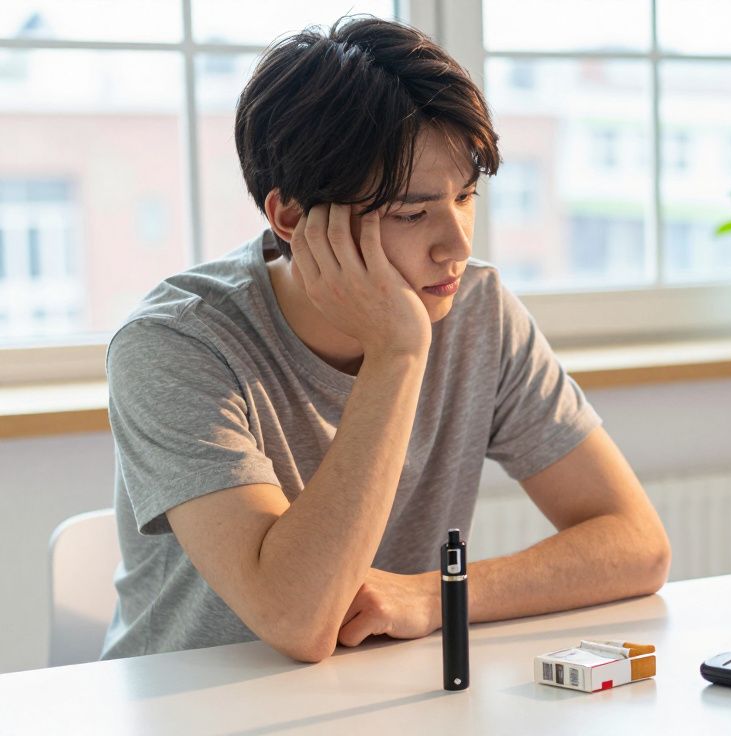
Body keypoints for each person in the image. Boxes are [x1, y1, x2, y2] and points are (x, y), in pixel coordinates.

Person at [102, 16, 670, 663]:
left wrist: (434, 597)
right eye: (411, 211)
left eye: (465, 197)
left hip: (378, 701)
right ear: (291, 217)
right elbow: (298, 619)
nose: (457, 244)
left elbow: (637, 543)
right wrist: (398, 352)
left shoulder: (477, 309)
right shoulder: (175, 344)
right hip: (188, 707)